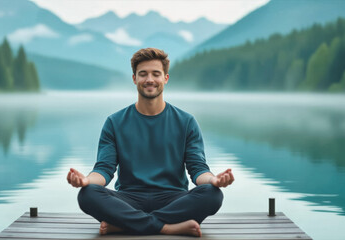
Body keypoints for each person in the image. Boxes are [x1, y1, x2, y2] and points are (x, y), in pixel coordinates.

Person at [66, 48, 234, 237]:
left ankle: (125, 224)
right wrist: (86, 180)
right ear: (134, 79)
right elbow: (104, 170)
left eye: (156, 74)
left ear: (166, 78)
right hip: (129, 198)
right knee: (88, 194)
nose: (149, 80)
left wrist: (214, 180)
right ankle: (167, 227)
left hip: (174, 199)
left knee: (213, 194)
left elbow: (198, 169)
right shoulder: (115, 122)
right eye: (143, 74)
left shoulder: (186, 122)